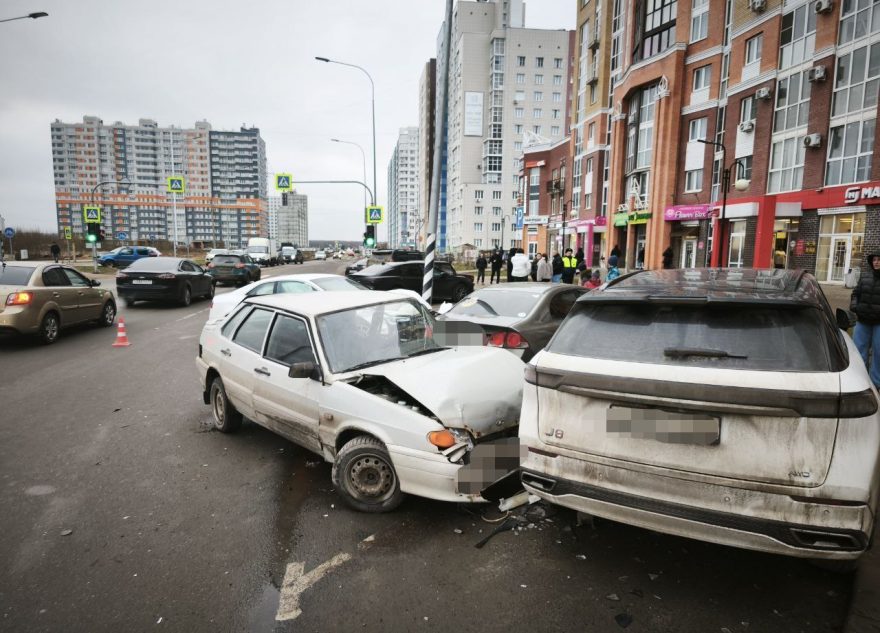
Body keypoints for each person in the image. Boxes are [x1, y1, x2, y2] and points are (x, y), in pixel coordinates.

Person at [851, 253, 880, 387]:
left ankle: (875, 383)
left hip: (879, 324)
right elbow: (855, 294)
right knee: (858, 351)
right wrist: (854, 306)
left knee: (878, 353)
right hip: (863, 321)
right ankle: (860, 380)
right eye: (874, 260)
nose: (876, 262)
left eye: (879, 260)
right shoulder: (865, 276)